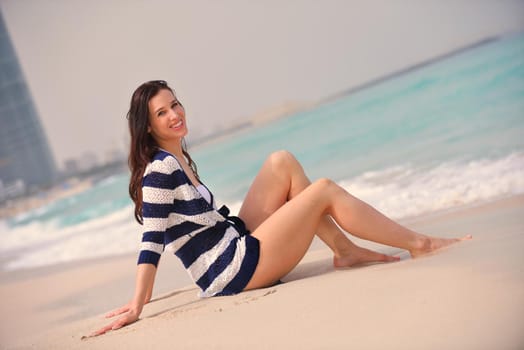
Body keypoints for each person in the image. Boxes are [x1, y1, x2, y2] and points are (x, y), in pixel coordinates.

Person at [92, 80, 471, 336]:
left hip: (232, 242)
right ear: (147, 126)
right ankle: (420, 244)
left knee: (281, 162)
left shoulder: (179, 160)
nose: (175, 114)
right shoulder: (159, 170)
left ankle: (345, 250)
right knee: (323, 191)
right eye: (162, 113)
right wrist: (137, 306)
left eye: (175, 104)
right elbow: (152, 239)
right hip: (230, 270)